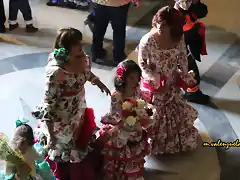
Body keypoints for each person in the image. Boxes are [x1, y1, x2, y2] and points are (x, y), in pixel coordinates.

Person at [32, 27, 110, 180]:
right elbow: (49, 103)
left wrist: (98, 82)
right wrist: (52, 134)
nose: (81, 46)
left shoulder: (82, 58)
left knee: (81, 141)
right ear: (66, 48)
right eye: (77, 44)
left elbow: (86, 73)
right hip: (63, 117)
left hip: (79, 108)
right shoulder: (56, 72)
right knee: (65, 148)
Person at [138, 6, 198, 154]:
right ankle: (158, 145)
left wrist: (184, 75)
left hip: (171, 80)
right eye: (160, 26)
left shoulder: (178, 37)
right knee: (157, 115)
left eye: (166, 28)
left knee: (175, 112)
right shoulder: (147, 41)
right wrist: (156, 81)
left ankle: (176, 142)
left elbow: (183, 57)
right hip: (155, 84)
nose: (161, 30)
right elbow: (142, 64)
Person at [99, 60, 155, 179]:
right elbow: (117, 115)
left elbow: (142, 105)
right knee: (123, 149)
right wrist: (133, 118)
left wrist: (145, 114)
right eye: (131, 77)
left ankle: (133, 170)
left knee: (136, 148)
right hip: (121, 126)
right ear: (122, 78)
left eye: (136, 77)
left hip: (135, 124)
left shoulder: (137, 91)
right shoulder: (117, 96)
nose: (135, 81)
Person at [174, 0, 210, 104]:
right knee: (190, 68)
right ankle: (192, 94)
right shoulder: (178, 15)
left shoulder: (186, 10)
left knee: (188, 67)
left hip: (187, 41)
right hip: (182, 46)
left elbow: (203, 11)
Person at [91, 0, 140, 66]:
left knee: (99, 28)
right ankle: (118, 57)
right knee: (119, 30)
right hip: (118, 3)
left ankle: (97, 53)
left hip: (99, 2)